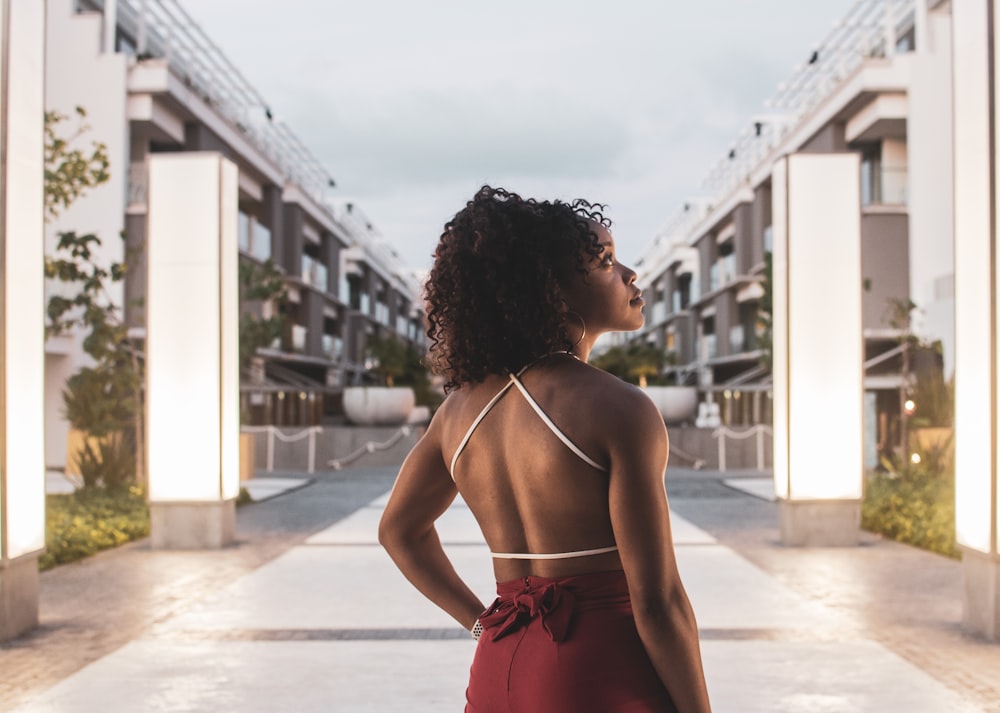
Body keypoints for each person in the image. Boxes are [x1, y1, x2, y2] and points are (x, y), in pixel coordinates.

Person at [378, 186, 712, 713]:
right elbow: (658, 601)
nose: (630, 273)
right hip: (598, 671)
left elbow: (398, 530)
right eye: (605, 262)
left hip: (498, 666)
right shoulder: (619, 408)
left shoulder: (457, 412)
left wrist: (483, 622)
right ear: (552, 290)